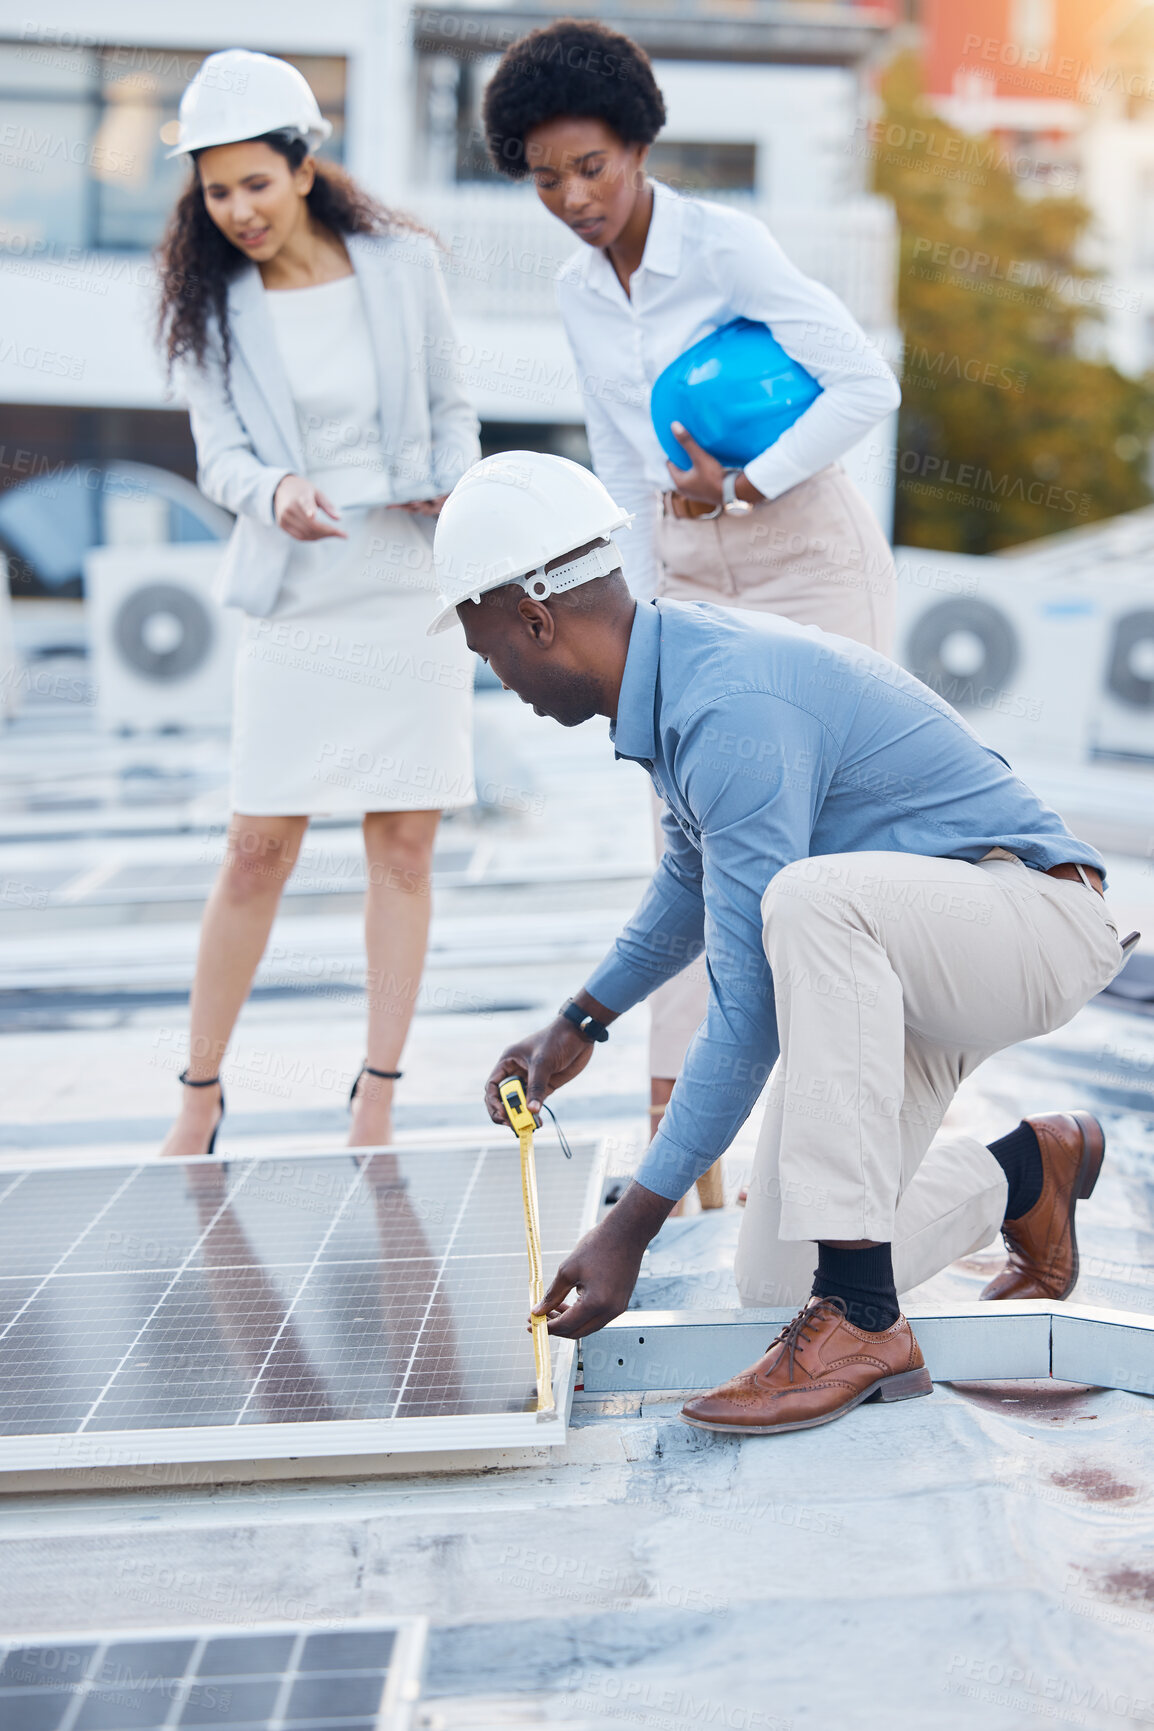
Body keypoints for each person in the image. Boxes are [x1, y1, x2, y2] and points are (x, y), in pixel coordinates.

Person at [430, 452, 1128, 1437]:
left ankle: (858, 1320)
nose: (498, 681)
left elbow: (749, 994)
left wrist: (631, 1224)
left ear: (536, 621)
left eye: (490, 654)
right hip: (911, 948)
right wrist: (579, 1020)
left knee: (803, 905)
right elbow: (687, 883)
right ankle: (1027, 1169)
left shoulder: (727, 703)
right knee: (770, 1280)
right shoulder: (672, 686)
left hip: (1028, 922)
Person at [482, 20, 903, 1196]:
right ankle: (688, 1154)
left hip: (806, 556)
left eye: (590, 168)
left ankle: (836, 1140)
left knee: (824, 857)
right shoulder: (575, 290)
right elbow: (622, 466)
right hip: (682, 568)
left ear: (638, 146)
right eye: (544, 177)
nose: (571, 197)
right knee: (689, 841)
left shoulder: (726, 248)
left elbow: (866, 382)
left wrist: (748, 483)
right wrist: (643, 603)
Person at [154, 51, 479, 1156]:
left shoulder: (401, 267)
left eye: (254, 181)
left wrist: (446, 479)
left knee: (402, 852)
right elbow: (220, 457)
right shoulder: (212, 305)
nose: (236, 209)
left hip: (406, 593)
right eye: (214, 190)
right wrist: (275, 488)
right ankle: (198, 1095)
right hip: (296, 602)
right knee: (256, 849)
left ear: (303, 164)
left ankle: (375, 1099)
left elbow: (453, 410)